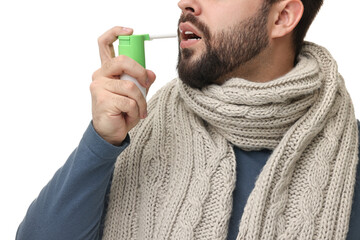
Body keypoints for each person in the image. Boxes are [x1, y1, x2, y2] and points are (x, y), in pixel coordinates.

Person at [16, 0, 360, 239]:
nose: (185, 4)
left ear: (283, 17)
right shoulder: (138, 130)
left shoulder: (351, 158)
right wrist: (102, 142)